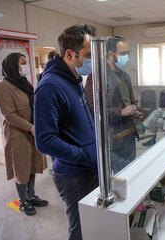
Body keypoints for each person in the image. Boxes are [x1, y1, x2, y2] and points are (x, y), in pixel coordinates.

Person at [34, 24, 98, 240]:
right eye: (89, 54)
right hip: (72, 174)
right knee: (80, 230)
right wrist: (82, 154)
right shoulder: (50, 86)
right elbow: (44, 141)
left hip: (89, 167)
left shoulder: (76, 80)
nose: (92, 60)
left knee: (94, 225)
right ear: (70, 54)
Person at [0, 53, 48, 216]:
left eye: (26, 63)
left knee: (31, 164)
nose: (25, 66)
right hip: (17, 133)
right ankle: (23, 201)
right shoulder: (3, 86)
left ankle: (31, 196)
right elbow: (9, 114)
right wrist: (30, 127)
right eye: (22, 63)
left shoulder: (25, 83)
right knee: (21, 167)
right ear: (12, 66)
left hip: (32, 130)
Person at [86, 37, 141, 174]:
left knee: (132, 172)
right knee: (121, 176)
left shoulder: (125, 76)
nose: (126, 57)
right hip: (113, 138)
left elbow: (130, 101)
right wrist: (121, 112)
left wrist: (136, 111)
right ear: (111, 54)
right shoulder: (98, 76)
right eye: (123, 54)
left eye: (128, 53)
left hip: (129, 135)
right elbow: (93, 110)